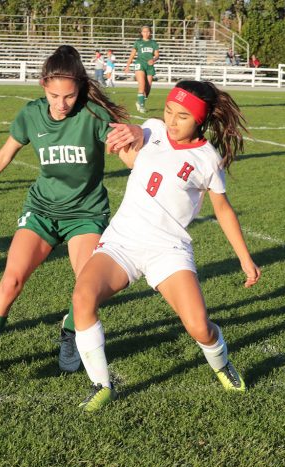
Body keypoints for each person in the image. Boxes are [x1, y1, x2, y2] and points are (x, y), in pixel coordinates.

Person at [0, 45, 139, 386]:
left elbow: (130, 161)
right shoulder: (31, 115)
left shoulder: (94, 116)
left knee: (87, 288)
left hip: (85, 213)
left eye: (69, 96)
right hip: (40, 211)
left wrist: (136, 143)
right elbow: (4, 155)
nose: (61, 104)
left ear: (79, 89)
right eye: (54, 95)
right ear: (42, 87)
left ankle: (69, 329)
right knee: (10, 282)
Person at [70, 80, 260, 412]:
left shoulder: (207, 159)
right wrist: (128, 131)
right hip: (123, 241)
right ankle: (101, 385)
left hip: (168, 249)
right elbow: (138, 135)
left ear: (200, 120)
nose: (172, 120)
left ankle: (222, 364)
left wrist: (245, 258)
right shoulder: (154, 128)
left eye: (182, 116)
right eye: (169, 110)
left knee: (200, 327)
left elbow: (223, 209)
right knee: (82, 297)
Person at [124, 25, 160, 113]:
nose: (146, 33)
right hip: (140, 64)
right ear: (141, 33)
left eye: (147, 31)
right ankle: (141, 106)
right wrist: (127, 66)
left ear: (150, 32)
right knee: (142, 85)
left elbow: (157, 55)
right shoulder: (138, 42)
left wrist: (153, 59)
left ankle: (139, 102)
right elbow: (132, 54)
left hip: (149, 66)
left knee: (148, 89)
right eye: (144, 31)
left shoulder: (153, 43)